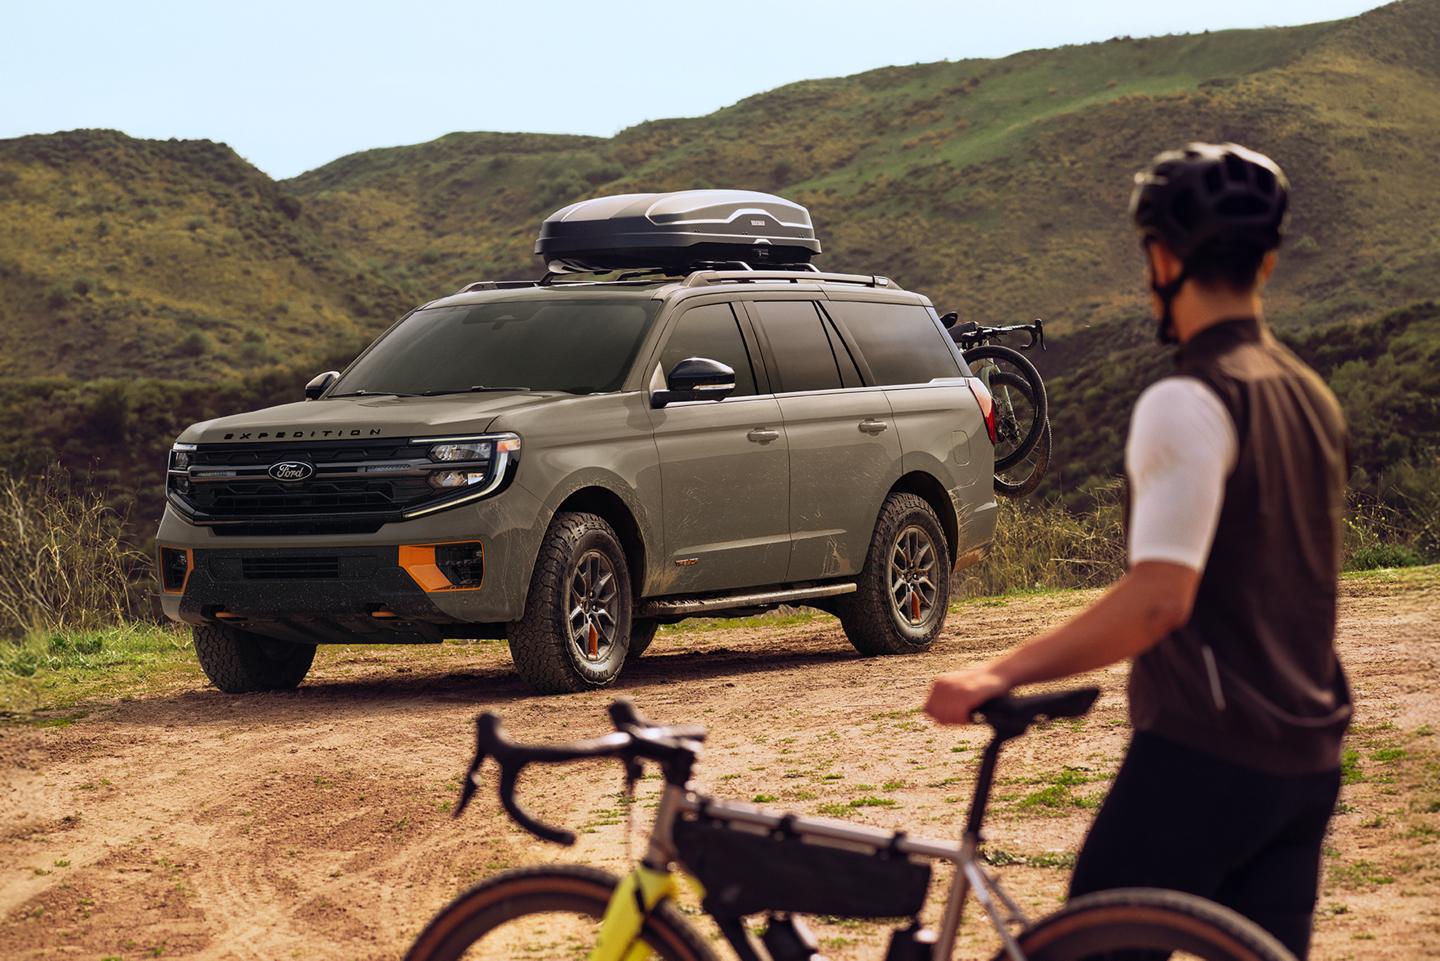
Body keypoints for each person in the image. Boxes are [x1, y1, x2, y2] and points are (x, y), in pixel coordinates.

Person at [923, 142, 1352, 960]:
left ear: (1161, 259)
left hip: (1204, 755)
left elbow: (1159, 598)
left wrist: (995, 672)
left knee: (1090, 946)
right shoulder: (1309, 394)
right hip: (1305, 758)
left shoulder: (1190, 398)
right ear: (1266, 263)